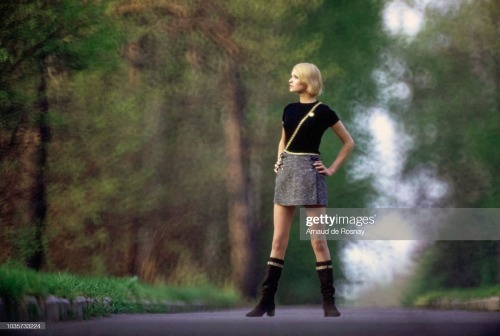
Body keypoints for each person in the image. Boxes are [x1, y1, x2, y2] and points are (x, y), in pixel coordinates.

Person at [246, 63, 354, 318]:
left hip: (311, 174)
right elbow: (284, 139)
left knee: (317, 241)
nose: (290, 80)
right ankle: (266, 301)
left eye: (295, 77)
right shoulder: (289, 109)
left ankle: (329, 302)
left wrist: (331, 168)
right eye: (292, 76)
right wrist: (278, 160)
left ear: (308, 81)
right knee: (277, 241)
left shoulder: (324, 111)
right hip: (286, 173)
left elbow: (349, 142)